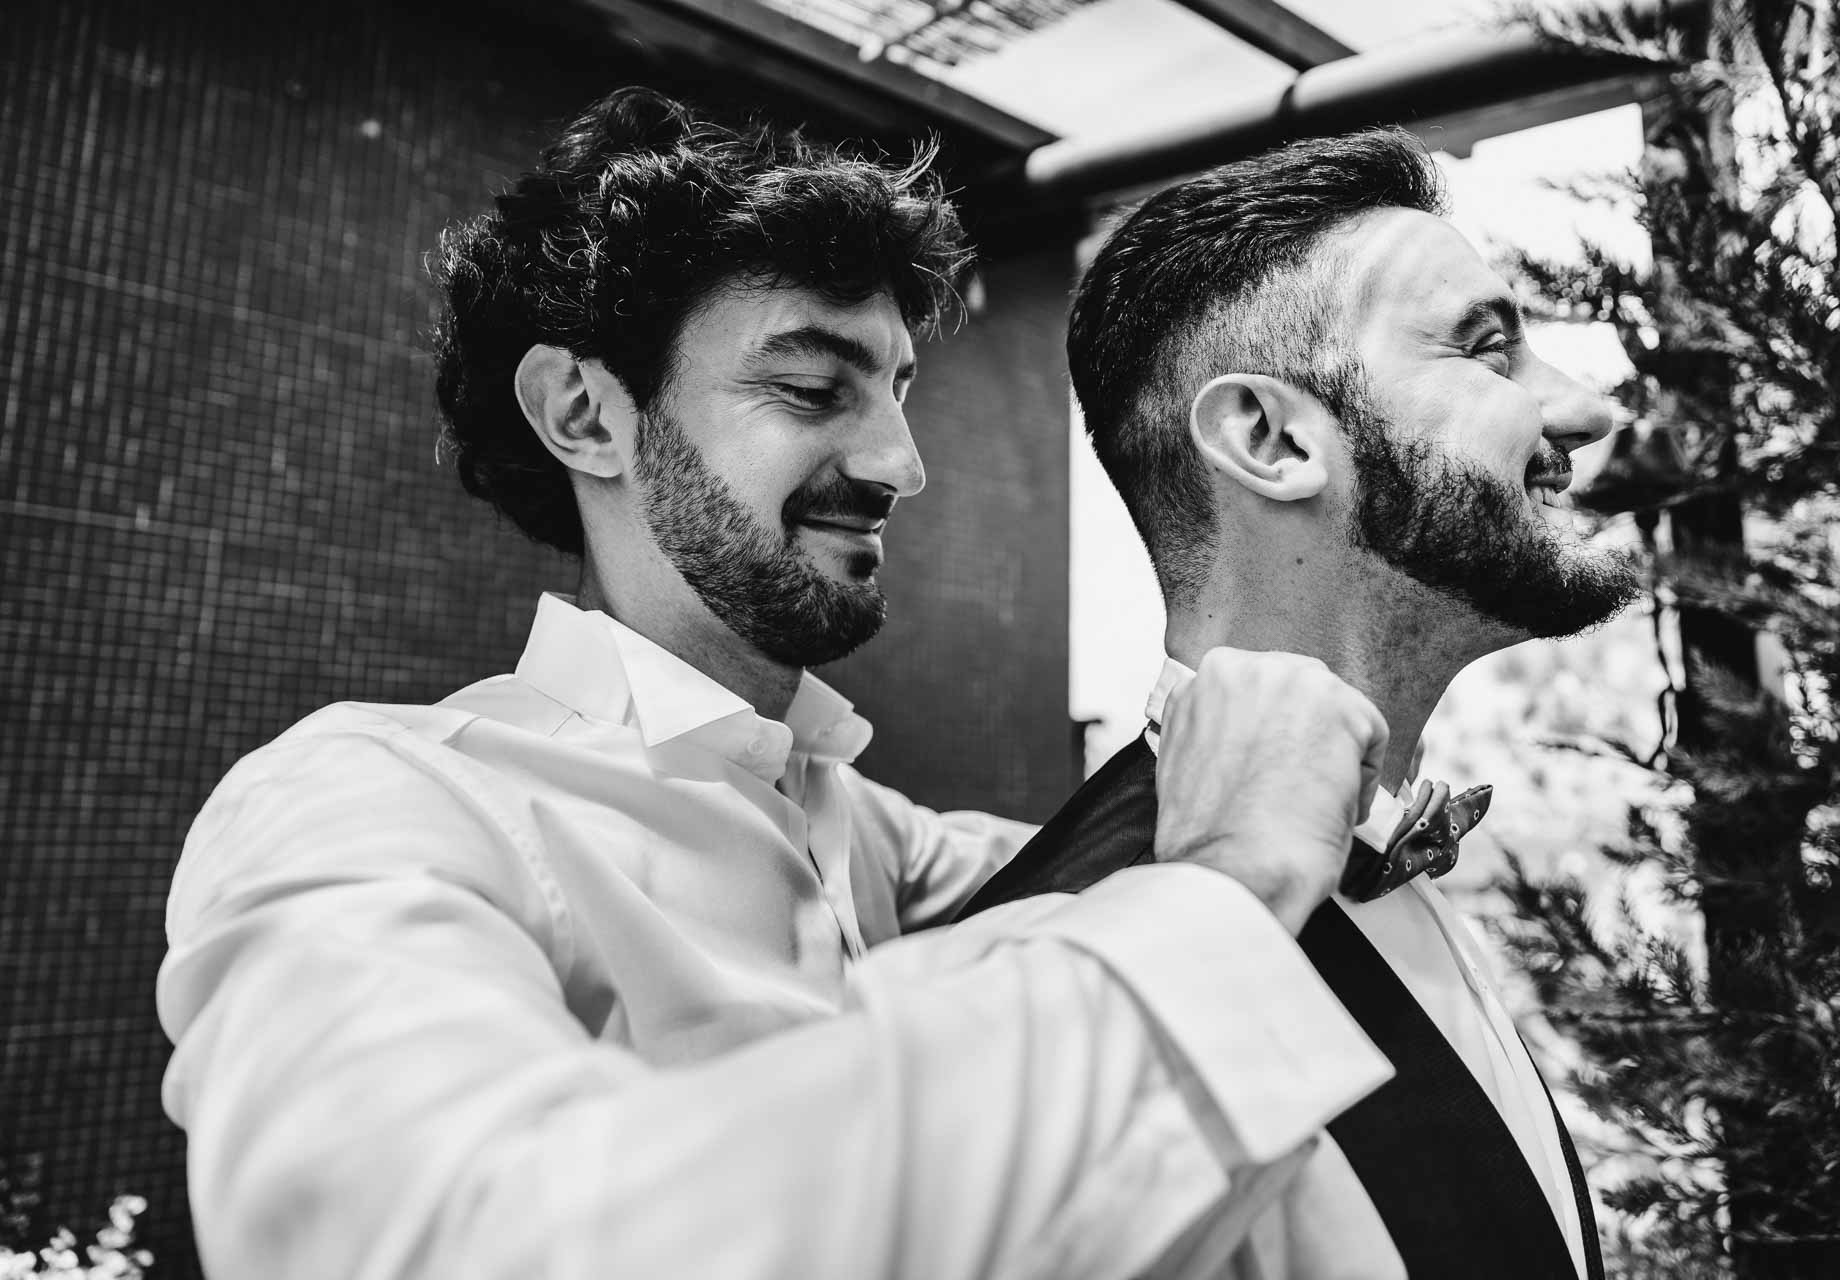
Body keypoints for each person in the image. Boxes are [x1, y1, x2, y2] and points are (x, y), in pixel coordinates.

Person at [155, 89, 1400, 1280]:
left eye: (898, 390)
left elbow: (1111, 853)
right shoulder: (368, 800)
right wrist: (1229, 880)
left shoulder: (865, 832)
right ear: (584, 413)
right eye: (810, 388)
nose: (902, 464)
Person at [960, 128, 1640, 1280]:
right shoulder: (1053, 999)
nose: (1583, 408)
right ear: (1271, 440)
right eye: (1488, 351)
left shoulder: (1392, 835)